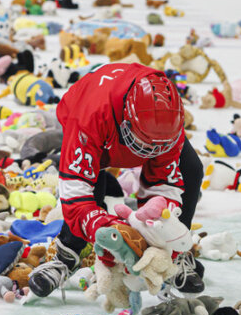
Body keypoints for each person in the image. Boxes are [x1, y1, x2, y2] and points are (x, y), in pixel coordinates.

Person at [28, 64, 205, 299]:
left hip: (140, 123)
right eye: (146, 145)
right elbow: (75, 193)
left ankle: (176, 253)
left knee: (191, 170)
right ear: (126, 119)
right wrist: (109, 230)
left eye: (158, 146)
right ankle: (66, 255)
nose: (151, 152)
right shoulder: (88, 119)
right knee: (91, 185)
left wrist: (161, 238)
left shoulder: (167, 118)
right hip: (92, 117)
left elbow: (165, 185)